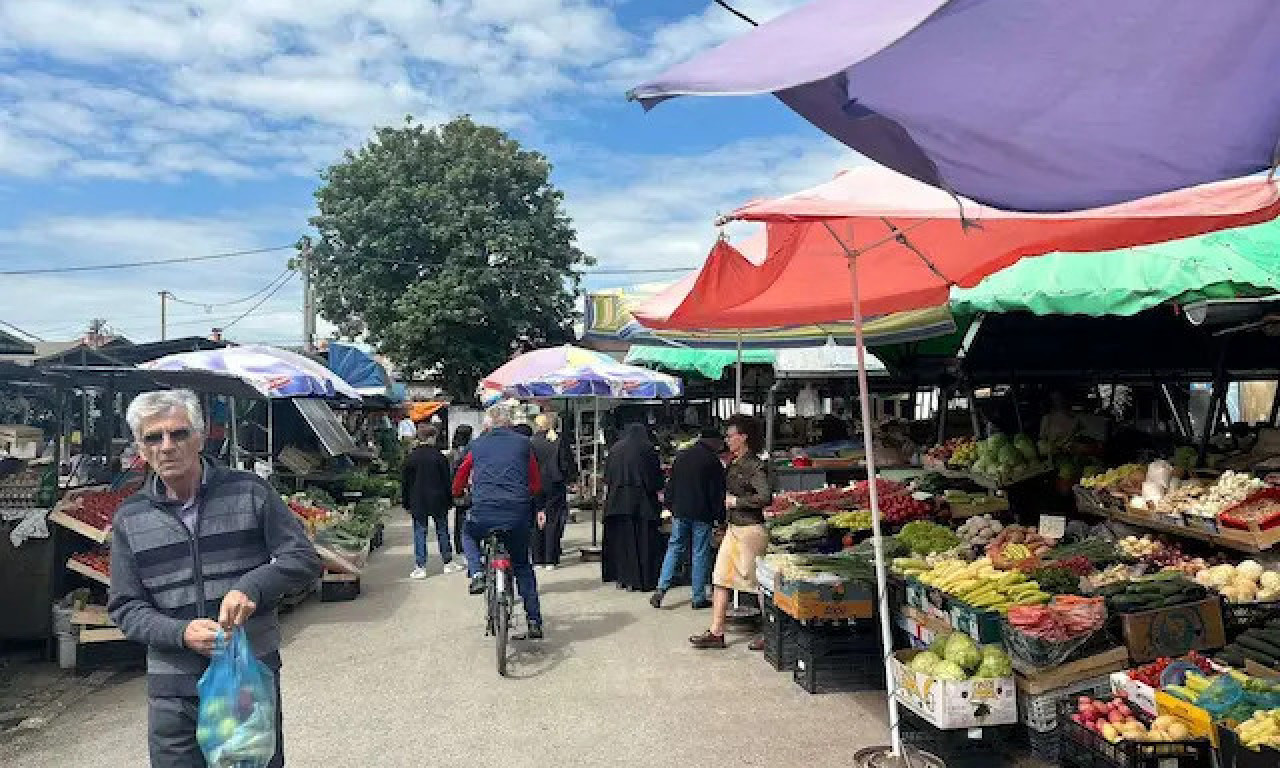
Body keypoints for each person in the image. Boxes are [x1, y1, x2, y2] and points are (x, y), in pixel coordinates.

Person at [108, 390, 321, 768]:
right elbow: (126, 606)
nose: (167, 447)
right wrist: (180, 633)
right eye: (153, 438)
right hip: (173, 690)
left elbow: (302, 558)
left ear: (201, 437)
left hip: (247, 678)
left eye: (179, 434)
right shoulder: (131, 517)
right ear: (141, 448)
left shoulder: (250, 491)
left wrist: (251, 586)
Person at [452, 403, 545, 639]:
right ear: (510, 423)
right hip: (517, 512)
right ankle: (533, 620)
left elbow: (461, 475)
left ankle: (477, 574)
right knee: (523, 565)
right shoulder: (525, 444)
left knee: (468, 534)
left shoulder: (477, 446)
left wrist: (458, 492)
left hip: (483, 511)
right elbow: (535, 483)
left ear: (488, 424)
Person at [690, 414, 771, 650]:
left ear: (743, 438)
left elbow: (765, 497)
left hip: (751, 531)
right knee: (720, 578)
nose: (727, 439)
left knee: (757, 583)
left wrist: (736, 501)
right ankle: (716, 632)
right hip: (734, 529)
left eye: (730, 435)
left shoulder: (755, 465)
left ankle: (770, 634)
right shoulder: (734, 463)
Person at [651, 428, 726, 610]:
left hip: (681, 511)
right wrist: (721, 517)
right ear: (713, 442)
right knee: (699, 553)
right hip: (702, 513)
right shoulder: (712, 461)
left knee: (674, 548)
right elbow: (717, 493)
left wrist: (669, 506)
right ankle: (698, 597)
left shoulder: (682, 456)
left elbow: (672, 484)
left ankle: (661, 588)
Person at [601, 422, 665, 592]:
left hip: (616, 503)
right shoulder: (646, 449)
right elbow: (654, 479)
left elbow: (607, 478)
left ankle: (622, 577)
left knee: (621, 543)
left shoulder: (615, 449)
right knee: (642, 543)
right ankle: (640, 580)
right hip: (641, 503)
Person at [401, 423, 460, 578]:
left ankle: (420, 566)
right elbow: (447, 481)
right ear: (432, 437)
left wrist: (406, 502)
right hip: (438, 499)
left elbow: (405, 483)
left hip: (417, 500)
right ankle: (447, 562)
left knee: (420, 532)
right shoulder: (439, 457)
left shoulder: (411, 458)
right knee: (442, 530)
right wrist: (450, 500)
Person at [530, 413, 573, 570]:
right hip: (555, 483)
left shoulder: (531, 442)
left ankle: (537, 558)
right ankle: (550, 558)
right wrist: (569, 479)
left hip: (535, 483)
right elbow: (566, 463)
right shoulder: (559, 440)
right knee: (553, 520)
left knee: (536, 520)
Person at [448, 424, 474, 564]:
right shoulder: (471, 450)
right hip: (468, 488)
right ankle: (468, 547)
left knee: (459, 519)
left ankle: (460, 547)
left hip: (458, 490)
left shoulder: (452, 453)